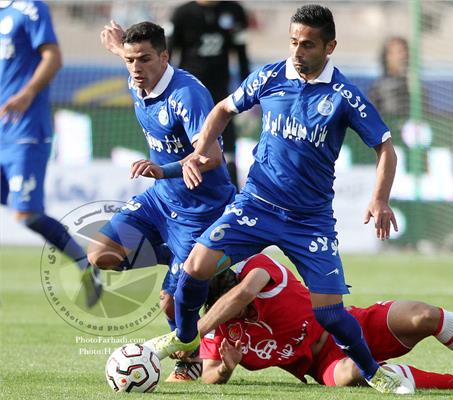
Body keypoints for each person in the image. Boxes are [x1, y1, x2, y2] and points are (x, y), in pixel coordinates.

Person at [146, 4, 413, 394]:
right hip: (255, 204)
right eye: (293, 42)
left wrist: (380, 198)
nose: (298, 52)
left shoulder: (344, 95)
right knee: (194, 267)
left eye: (307, 45)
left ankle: (373, 371)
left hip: (309, 220)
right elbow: (223, 109)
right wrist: (202, 149)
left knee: (331, 313)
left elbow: (385, 147)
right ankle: (185, 339)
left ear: (329, 46)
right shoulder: (270, 77)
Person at [195, 253, 453, 392]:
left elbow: (245, 293)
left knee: (425, 315)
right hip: (324, 363)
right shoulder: (221, 329)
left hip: (351, 323)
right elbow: (210, 372)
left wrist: (190, 332)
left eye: (235, 290)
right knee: (351, 373)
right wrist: (226, 369)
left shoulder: (260, 271)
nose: (241, 307)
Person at [94, 20, 236, 379]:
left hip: (201, 211)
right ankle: (201, 266)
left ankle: (188, 360)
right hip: (161, 201)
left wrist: (165, 170)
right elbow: (131, 56)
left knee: (169, 301)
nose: (136, 69)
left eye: (144, 59)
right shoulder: (136, 76)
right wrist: (118, 48)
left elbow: (214, 156)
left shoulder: (187, 96)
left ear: (165, 57)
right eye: (130, 60)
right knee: (102, 255)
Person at [0, 0, 102, 307]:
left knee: (27, 214)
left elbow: (53, 57)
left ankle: (85, 263)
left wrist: (27, 93)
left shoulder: (30, 8)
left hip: (25, 131)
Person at [168, 0, 251, 189]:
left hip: (221, 92)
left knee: (227, 146)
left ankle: (232, 193)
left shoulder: (234, 11)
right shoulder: (182, 13)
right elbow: (168, 53)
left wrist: (249, 95)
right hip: (189, 94)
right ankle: (181, 190)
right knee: (189, 144)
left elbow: (241, 53)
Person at [368, 36, 410, 119]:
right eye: (398, 52)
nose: (403, 57)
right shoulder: (379, 88)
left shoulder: (415, 86)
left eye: (404, 51)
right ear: (387, 56)